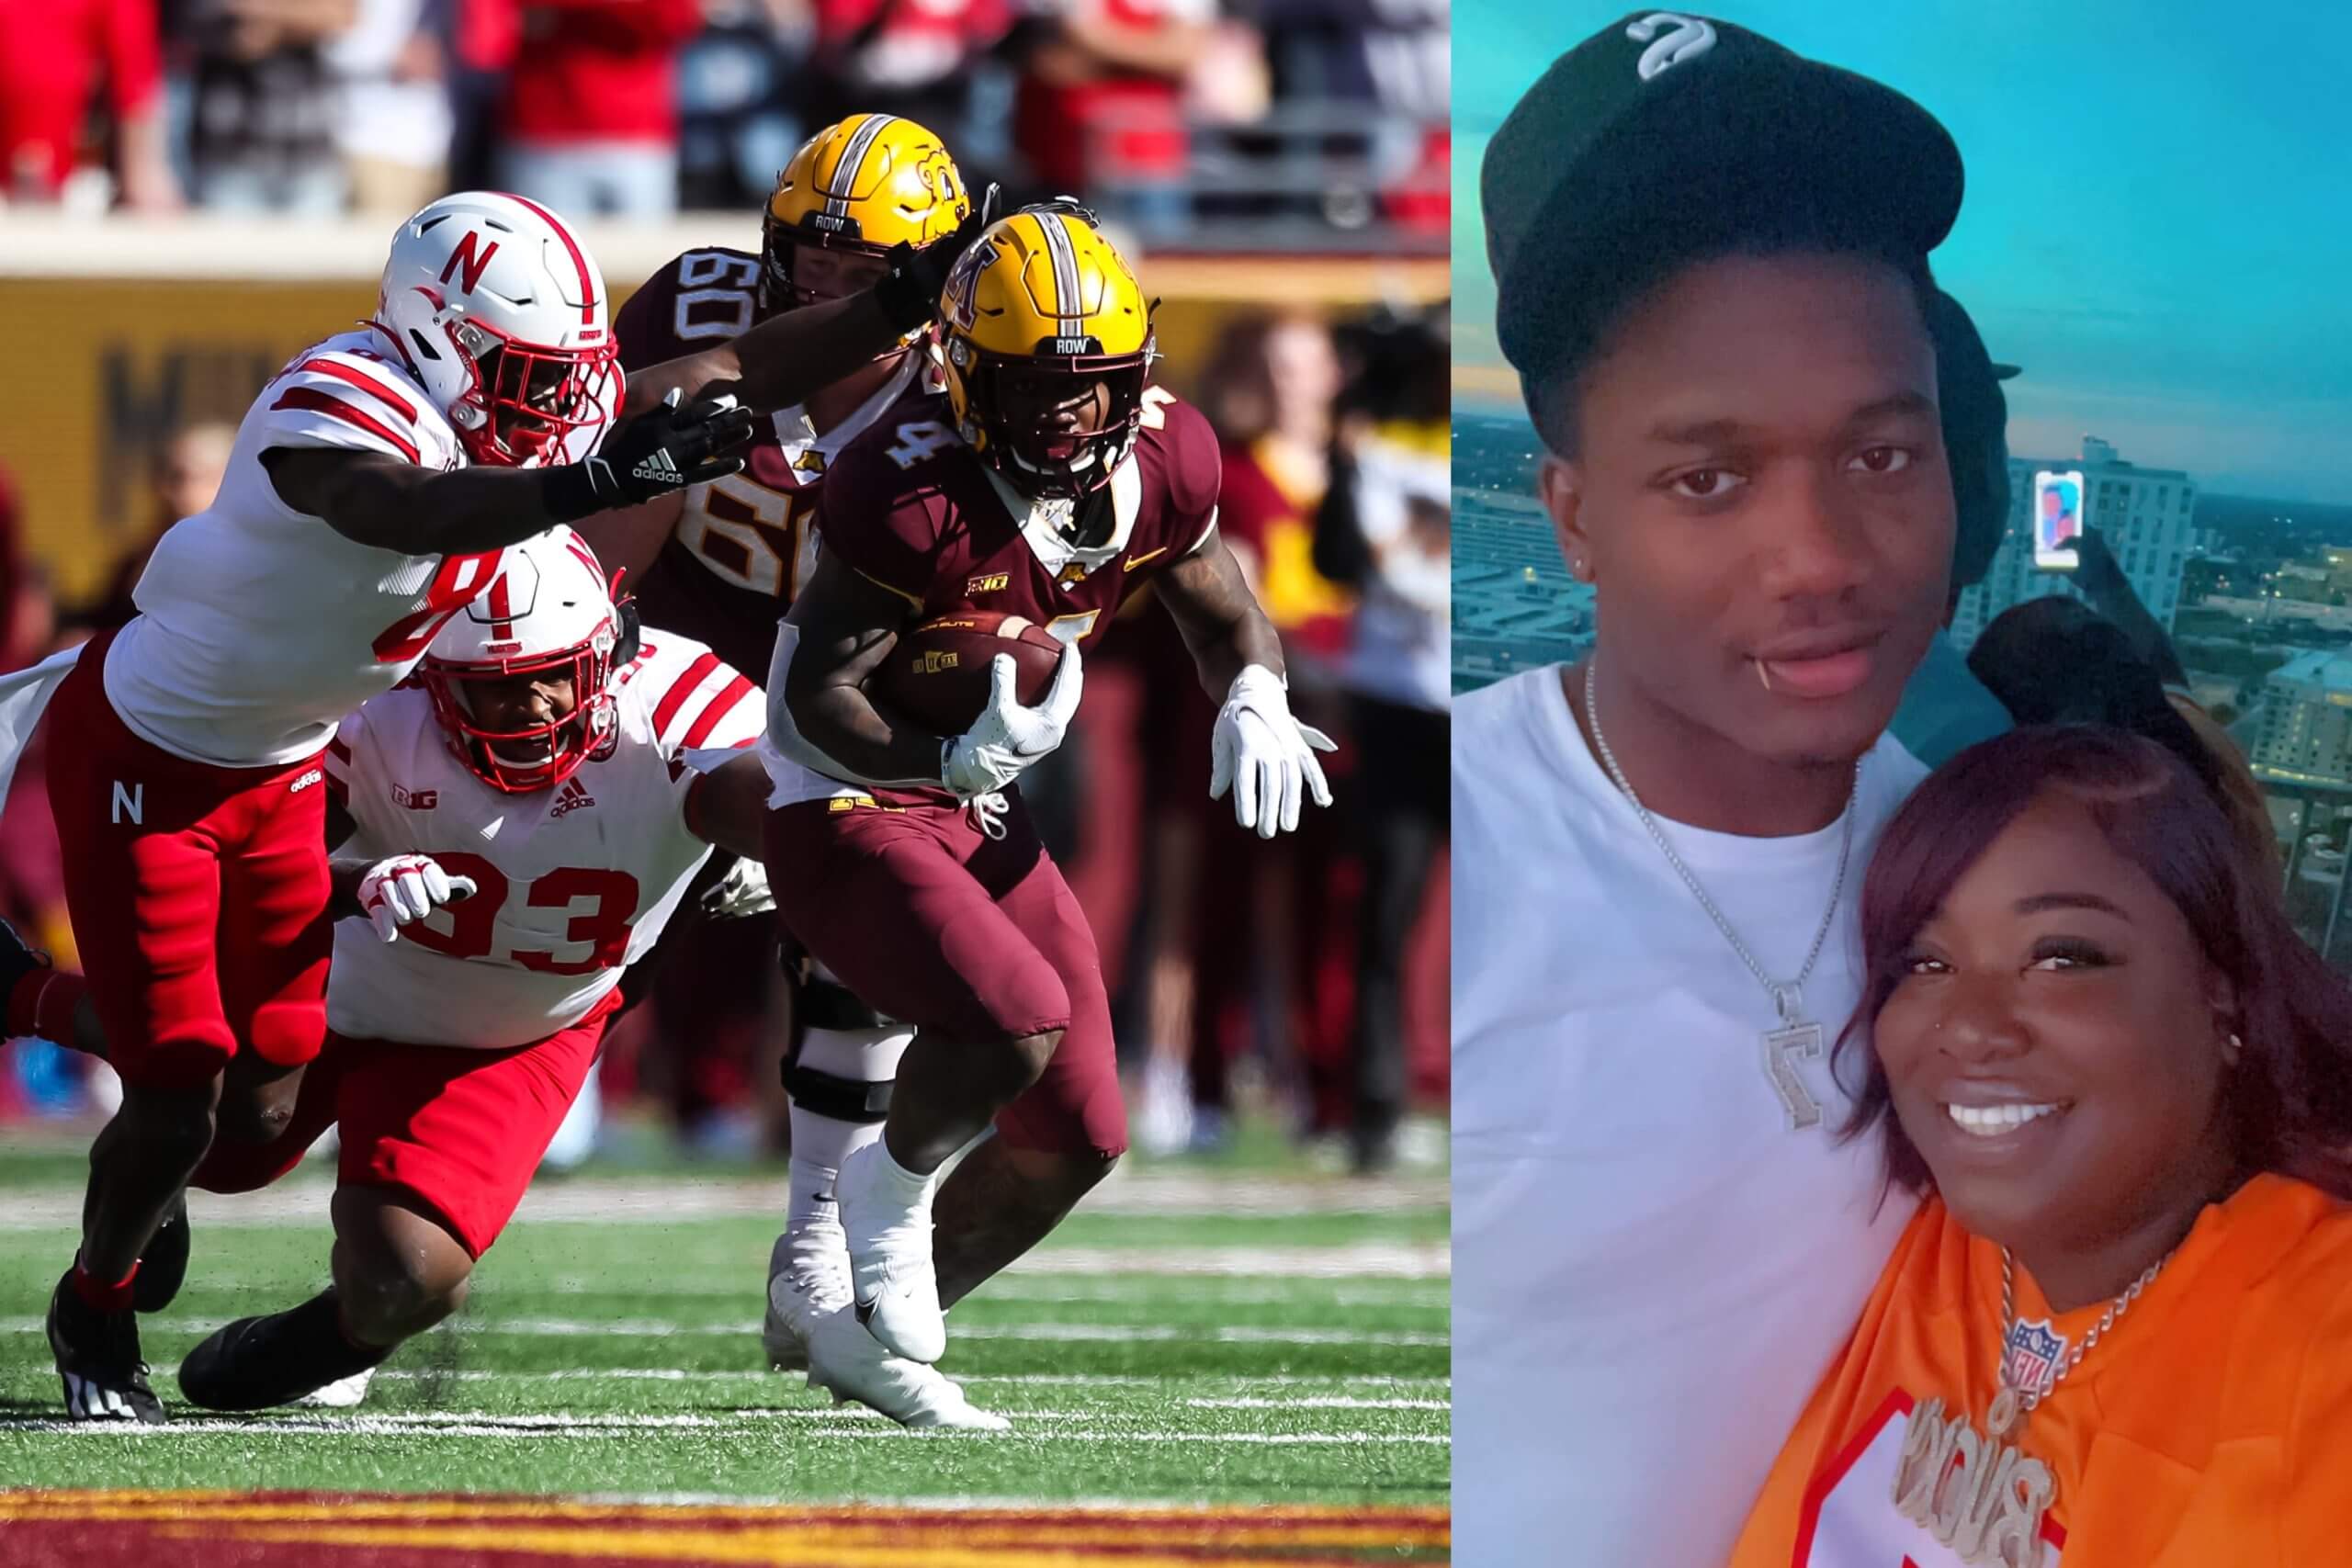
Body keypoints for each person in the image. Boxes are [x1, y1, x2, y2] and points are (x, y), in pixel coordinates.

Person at [1, 185, 975, 1425]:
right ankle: (92, 1305)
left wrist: (897, 298)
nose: (559, 400)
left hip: (285, 758)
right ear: (436, 332)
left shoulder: (513, 443)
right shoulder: (341, 400)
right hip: (160, 750)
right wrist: (587, 481)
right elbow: (398, 506)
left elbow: (738, 359)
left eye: (562, 373)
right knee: (186, 1079)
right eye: (529, 371)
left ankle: (47, 1015)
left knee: (253, 1097)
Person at [1452, 15, 1968, 1564]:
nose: (1821, 560)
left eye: (1884, 457)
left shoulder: (1978, 870)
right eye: (1708, 478)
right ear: (1574, 517)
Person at [764, 204, 1334, 1371]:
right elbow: (811, 701)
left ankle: (855, 1335)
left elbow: (1224, 611)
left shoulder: (1169, 455)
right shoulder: (906, 486)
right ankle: (885, 1195)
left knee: (1077, 1133)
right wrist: (941, 763)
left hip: (975, 798)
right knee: (1013, 1017)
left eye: (1095, 383)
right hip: (847, 792)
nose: (1068, 409)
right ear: (966, 371)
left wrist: (1256, 695)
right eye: (1030, 385)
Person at [580, 114, 997, 1419]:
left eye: (859, 257)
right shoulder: (705, 301)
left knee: (872, 908)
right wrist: (596, 642)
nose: (823, 277)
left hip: (845, 675)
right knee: (563, 937)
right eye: (806, 248)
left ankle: (814, 1237)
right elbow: (618, 496)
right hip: (679, 652)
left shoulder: (963, 368)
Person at [1732, 725, 2352, 1565]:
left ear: (2225, 995)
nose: (1972, 1030)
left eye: (2061, 956)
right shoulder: (1915, 1238)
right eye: (1924, 963)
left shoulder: (2313, 1340)